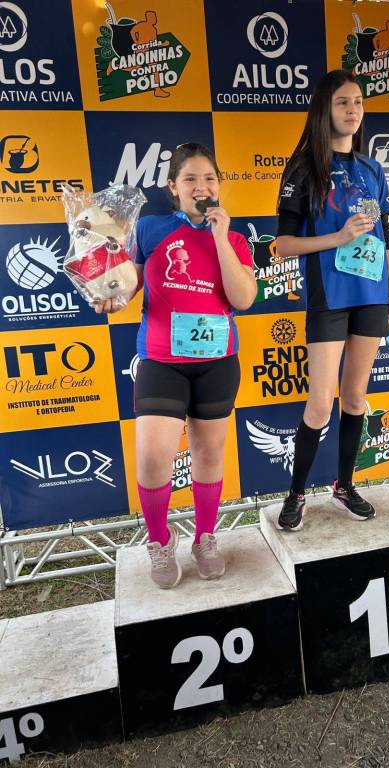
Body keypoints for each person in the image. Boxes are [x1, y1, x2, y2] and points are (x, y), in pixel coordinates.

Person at [96, 143, 256, 586]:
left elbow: (243, 299)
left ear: (219, 185)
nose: (201, 187)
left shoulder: (235, 239)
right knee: (152, 457)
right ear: (173, 187)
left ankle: (205, 537)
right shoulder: (150, 229)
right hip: (161, 361)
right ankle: (160, 540)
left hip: (217, 362)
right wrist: (105, 294)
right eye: (190, 179)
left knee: (208, 454)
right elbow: (124, 288)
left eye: (209, 179)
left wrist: (219, 237)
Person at [275, 69, 389, 531]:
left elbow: (386, 242)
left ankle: (344, 485)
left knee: (356, 398)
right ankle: (296, 494)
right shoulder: (303, 168)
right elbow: (282, 245)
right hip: (330, 297)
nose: (353, 110)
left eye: (358, 102)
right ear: (324, 110)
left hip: (372, 297)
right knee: (320, 405)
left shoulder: (372, 170)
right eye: (343, 102)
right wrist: (338, 237)